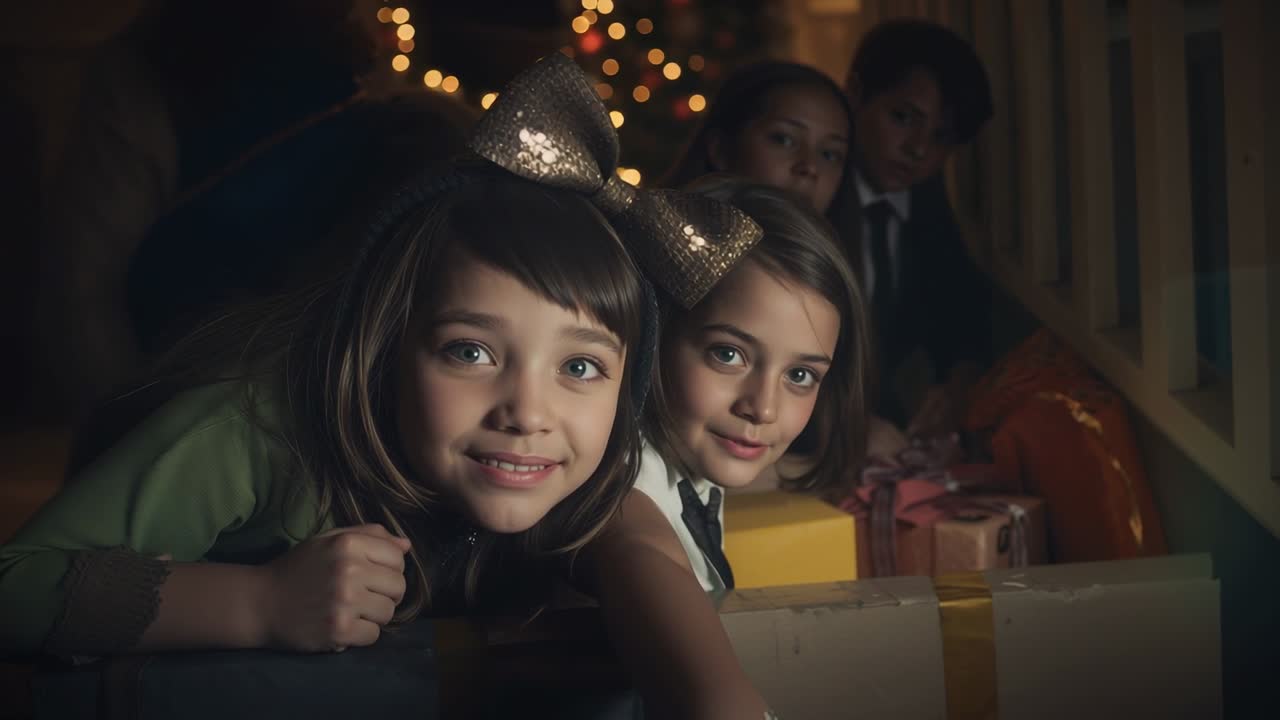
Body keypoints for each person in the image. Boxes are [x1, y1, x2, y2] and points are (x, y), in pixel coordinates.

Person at [0, 54, 761, 659]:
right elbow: (14, 590)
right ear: (386, 343)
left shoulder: (588, 478)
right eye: (469, 351)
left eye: (581, 367)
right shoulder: (255, 429)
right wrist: (257, 604)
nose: (528, 412)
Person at [583, 177, 870, 718]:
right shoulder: (618, 502)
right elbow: (638, 550)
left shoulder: (690, 455)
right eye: (728, 355)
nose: (762, 407)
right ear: (654, 332)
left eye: (801, 375)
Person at [843, 18, 995, 443]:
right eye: (903, 117)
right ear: (855, 94)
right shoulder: (814, 190)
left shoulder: (924, 197)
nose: (919, 149)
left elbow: (962, 309)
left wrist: (960, 381)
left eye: (941, 137)